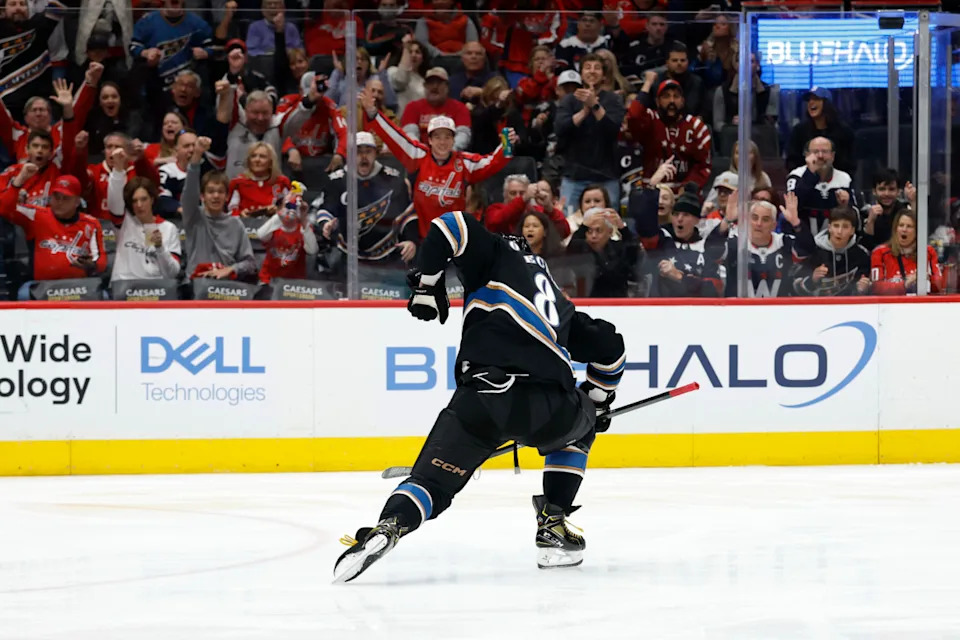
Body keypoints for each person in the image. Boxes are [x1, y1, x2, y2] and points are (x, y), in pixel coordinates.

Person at [333, 209, 626, 582]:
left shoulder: (493, 252)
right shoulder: (556, 297)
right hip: (549, 406)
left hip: (483, 397)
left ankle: (390, 526)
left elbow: (447, 225)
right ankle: (553, 523)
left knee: (431, 484)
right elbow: (611, 347)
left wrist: (427, 284)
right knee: (580, 423)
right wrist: (599, 402)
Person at [364, 89, 516, 239]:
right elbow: (395, 137)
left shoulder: (464, 162)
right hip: (423, 238)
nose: (442, 142)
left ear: (453, 139)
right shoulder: (418, 156)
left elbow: (491, 163)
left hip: (454, 240)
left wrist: (506, 144)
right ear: (429, 140)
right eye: (437, 137)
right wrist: (373, 114)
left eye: (447, 137)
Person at [312, 132, 418, 270]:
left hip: (387, 256)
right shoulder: (337, 180)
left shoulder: (392, 179)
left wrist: (411, 240)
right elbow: (326, 209)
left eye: (368, 151)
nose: (363, 157)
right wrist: (326, 224)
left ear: (375, 153)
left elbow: (407, 215)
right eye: (358, 152)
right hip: (347, 256)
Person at [0, 168, 107, 298]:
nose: (60, 202)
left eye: (66, 198)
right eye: (56, 197)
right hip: (42, 286)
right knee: (23, 294)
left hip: (79, 287)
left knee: (105, 296)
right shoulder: (36, 215)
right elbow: (4, 208)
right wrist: (18, 182)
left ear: (77, 201)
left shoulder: (91, 224)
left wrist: (91, 265)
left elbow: (101, 260)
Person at [554, 53, 626, 209]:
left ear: (604, 75)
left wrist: (595, 105)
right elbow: (560, 129)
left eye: (597, 68)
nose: (592, 71)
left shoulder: (614, 100)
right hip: (574, 175)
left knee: (609, 225)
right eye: (587, 67)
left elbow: (613, 130)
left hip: (606, 175)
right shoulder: (569, 100)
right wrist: (584, 111)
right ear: (581, 74)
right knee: (569, 223)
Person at [181, 136, 256, 282]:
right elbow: (189, 191)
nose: (216, 196)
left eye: (220, 192)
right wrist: (197, 155)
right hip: (196, 286)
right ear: (202, 196)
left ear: (227, 196)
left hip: (226, 288)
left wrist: (231, 269)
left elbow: (250, 263)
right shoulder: (194, 216)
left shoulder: (236, 224)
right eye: (210, 191)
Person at [0, 62, 101, 168]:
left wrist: (90, 82)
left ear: (50, 115)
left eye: (42, 110)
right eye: (34, 110)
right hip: (25, 183)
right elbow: (2, 116)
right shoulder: (18, 135)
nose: (38, 113)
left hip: (57, 182)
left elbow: (79, 111)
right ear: (25, 117)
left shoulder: (60, 130)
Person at [635, 182, 723, 297]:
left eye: (686, 214)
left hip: (696, 312)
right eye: (676, 214)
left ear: (697, 220)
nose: (679, 219)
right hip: (662, 311)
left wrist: (679, 276)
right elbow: (644, 226)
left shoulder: (706, 248)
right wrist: (651, 187)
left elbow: (714, 289)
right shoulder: (662, 242)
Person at [628, 75, 712, 194]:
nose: (671, 101)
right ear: (657, 101)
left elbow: (703, 166)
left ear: (682, 101)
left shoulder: (696, 126)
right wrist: (647, 84)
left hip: (684, 194)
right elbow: (634, 116)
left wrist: (688, 187)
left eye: (676, 96)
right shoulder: (650, 119)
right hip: (651, 189)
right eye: (666, 96)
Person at [722, 194, 806, 298]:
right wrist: (726, 220)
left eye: (765, 219)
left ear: (774, 225)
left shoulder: (784, 242)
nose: (759, 223)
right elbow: (711, 251)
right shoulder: (735, 243)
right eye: (754, 218)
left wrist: (796, 222)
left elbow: (807, 249)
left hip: (779, 311)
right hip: (739, 312)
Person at [107, 175, 182, 282]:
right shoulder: (124, 223)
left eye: (143, 199)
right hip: (124, 287)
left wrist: (160, 248)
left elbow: (172, 273)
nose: (139, 205)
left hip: (155, 289)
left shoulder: (169, 228)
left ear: (152, 199)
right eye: (134, 201)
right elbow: (115, 201)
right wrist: (118, 170)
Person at [130, 0, 214, 90]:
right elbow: (133, 47)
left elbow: (213, 47)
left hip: (187, 86)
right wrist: (145, 53)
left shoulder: (197, 23)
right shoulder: (147, 21)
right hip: (156, 85)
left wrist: (206, 52)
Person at [793, 206, 871, 297]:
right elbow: (795, 289)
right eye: (836, 226)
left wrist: (864, 289)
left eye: (845, 227)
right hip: (817, 308)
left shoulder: (862, 255)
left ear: (852, 230)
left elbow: (867, 290)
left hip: (850, 308)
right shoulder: (814, 251)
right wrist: (812, 279)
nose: (839, 231)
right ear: (829, 227)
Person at [785, 136, 855, 236]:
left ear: (832, 156)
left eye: (825, 151)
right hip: (801, 239)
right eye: (815, 151)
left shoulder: (844, 179)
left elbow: (855, 216)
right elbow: (793, 207)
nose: (820, 156)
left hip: (835, 241)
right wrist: (810, 174)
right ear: (807, 155)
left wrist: (846, 205)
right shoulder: (796, 176)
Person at [567, 207, 638, 298]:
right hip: (587, 303)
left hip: (617, 303)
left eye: (598, 231)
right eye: (589, 231)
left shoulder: (618, 247)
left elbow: (634, 252)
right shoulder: (581, 249)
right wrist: (583, 226)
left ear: (610, 232)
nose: (593, 236)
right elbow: (571, 249)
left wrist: (622, 228)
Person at [870, 209, 944, 296]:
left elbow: (940, 285)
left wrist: (927, 278)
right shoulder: (880, 253)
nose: (904, 229)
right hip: (891, 306)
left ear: (917, 231)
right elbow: (876, 287)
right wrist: (905, 284)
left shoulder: (928, 252)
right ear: (895, 229)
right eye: (901, 225)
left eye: (909, 226)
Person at [256, 185, 318, 284]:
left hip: (294, 284)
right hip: (268, 280)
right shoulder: (274, 226)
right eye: (288, 206)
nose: (291, 210)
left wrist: (303, 219)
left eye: (295, 207)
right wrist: (280, 215)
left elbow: (312, 250)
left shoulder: (303, 229)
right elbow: (260, 235)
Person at [400, 67, 472, 151]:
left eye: (439, 83)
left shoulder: (460, 108)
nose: (434, 86)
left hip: (451, 153)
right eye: (430, 83)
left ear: (447, 86)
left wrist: (448, 151)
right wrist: (420, 151)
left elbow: (463, 134)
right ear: (425, 86)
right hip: (420, 154)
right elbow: (410, 133)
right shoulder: (412, 107)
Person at [786, 87, 855, 174]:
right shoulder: (799, 131)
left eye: (816, 99)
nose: (811, 102)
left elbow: (850, 163)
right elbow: (792, 161)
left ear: (827, 104)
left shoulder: (844, 132)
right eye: (809, 100)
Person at [0, 130, 64, 207]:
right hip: (13, 216)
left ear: (51, 153)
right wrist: (19, 181)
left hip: (43, 217)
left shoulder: (57, 174)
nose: (40, 150)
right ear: (27, 149)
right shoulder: (12, 171)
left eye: (45, 147)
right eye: (35, 146)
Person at [227, 142, 291, 217]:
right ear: (249, 161)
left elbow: (289, 209)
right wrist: (240, 214)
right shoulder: (237, 183)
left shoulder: (282, 182)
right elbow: (230, 212)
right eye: (253, 156)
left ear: (271, 162)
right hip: (245, 225)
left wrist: (277, 211)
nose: (257, 160)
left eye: (262, 157)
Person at [860, 169, 915, 252]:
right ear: (874, 191)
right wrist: (870, 221)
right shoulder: (865, 212)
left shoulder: (905, 210)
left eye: (891, 189)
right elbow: (865, 249)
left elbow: (916, 237)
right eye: (882, 189)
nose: (886, 193)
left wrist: (913, 201)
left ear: (898, 192)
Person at [649, 42, 703, 117]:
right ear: (667, 63)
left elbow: (703, 109)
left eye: (683, 60)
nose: (679, 63)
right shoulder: (656, 83)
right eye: (674, 60)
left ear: (688, 62)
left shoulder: (697, 82)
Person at [414, 0, 479, 58]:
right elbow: (422, 43)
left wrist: (460, 54)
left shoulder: (465, 20)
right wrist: (439, 54)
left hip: (462, 59)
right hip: (434, 59)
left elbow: (472, 43)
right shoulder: (424, 21)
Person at [387, 35, 430, 117]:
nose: (413, 55)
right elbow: (401, 80)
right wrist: (406, 48)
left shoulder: (425, 80)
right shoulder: (393, 71)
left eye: (417, 52)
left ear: (423, 58)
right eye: (410, 52)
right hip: (399, 122)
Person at [449, 42, 500, 108]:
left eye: (478, 54)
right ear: (462, 58)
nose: (474, 57)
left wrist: (482, 92)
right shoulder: (452, 81)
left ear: (484, 59)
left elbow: (503, 95)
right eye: (469, 53)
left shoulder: (495, 78)